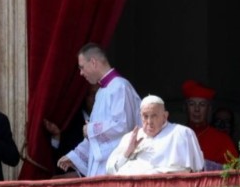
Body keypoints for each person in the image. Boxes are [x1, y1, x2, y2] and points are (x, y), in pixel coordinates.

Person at [57, 43, 141, 177]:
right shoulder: (101, 92)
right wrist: (75, 157)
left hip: (118, 170)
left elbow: (123, 126)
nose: (81, 73)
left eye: (82, 67)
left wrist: (91, 129)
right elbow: (98, 139)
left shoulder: (120, 87)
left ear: (93, 62)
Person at [106, 95, 204, 175]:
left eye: (154, 116)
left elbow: (195, 171)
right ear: (140, 116)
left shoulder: (181, 133)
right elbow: (111, 171)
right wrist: (127, 153)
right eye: (145, 116)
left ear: (165, 116)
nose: (149, 122)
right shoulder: (130, 138)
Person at [44, 84, 99, 176]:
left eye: (98, 94)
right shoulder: (71, 123)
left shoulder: (107, 120)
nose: (95, 99)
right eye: (92, 94)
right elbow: (60, 160)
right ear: (84, 97)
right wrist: (56, 137)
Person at [181, 80, 238, 170]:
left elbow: (233, 171)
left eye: (202, 104)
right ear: (185, 108)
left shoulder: (223, 140)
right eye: (192, 104)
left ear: (209, 109)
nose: (197, 109)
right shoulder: (175, 135)